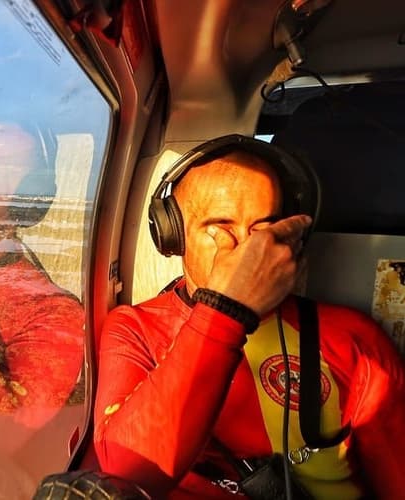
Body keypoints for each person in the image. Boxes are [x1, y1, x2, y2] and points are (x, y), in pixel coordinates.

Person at [92, 136, 405, 499]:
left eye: (264, 230)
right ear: (173, 235)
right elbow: (126, 473)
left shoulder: (355, 342)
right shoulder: (135, 329)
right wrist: (227, 309)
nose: (248, 252)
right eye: (220, 227)